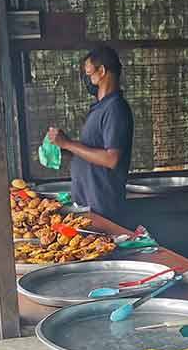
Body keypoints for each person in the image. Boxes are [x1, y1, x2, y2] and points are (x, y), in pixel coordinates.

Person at [47, 46, 134, 222]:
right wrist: (67, 149)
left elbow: (111, 159)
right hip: (89, 203)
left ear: (102, 71)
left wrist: (68, 144)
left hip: (103, 206)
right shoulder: (101, 108)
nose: (87, 79)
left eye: (89, 74)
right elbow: (94, 151)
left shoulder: (115, 108)